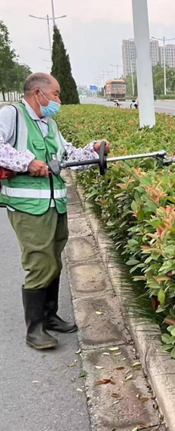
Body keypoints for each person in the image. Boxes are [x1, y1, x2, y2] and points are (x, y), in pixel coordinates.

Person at [0, 73, 111, 350]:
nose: (59, 100)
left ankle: (49, 316)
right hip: (28, 207)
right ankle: (34, 329)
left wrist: (93, 150)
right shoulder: (12, 115)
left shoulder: (49, 124)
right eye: (56, 94)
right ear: (38, 94)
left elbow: (67, 157)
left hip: (55, 204)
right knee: (40, 263)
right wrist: (27, 162)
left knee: (54, 260)